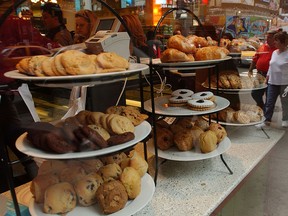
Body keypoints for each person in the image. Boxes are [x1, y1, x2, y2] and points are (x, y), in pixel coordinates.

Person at [256, 31, 288, 128]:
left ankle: (285, 119)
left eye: (276, 41)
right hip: (272, 82)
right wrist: (267, 78)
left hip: (284, 83)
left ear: (282, 42)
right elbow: (271, 66)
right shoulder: (274, 52)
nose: (274, 43)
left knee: (285, 103)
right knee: (269, 103)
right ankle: (266, 120)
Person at [248, 30, 277, 109]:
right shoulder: (262, 47)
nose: (267, 39)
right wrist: (250, 70)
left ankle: (267, 114)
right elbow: (255, 59)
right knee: (255, 93)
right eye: (267, 37)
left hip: (271, 76)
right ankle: (261, 105)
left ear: (275, 39)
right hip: (259, 74)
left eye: (270, 37)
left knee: (269, 96)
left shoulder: (277, 49)